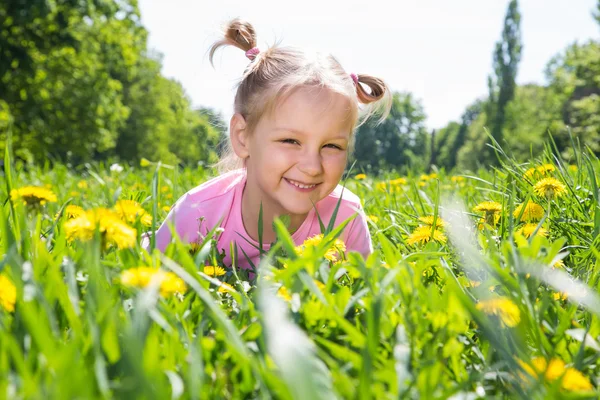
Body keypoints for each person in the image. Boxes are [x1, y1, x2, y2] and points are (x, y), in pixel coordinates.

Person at [143, 18, 391, 270]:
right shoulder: (197, 214)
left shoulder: (344, 216)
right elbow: (148, 284)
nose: (312, 166)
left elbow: (363, 294)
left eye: (332, 146)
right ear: (243, 137)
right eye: (291, 140)